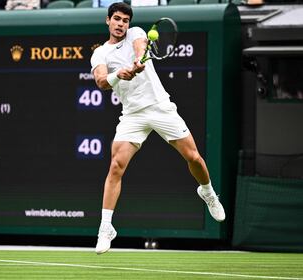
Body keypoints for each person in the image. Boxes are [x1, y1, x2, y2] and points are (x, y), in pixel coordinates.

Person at [90, 2, 225, 254]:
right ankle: (106, 227)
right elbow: (100, 81)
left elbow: (140, 46)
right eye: (117, 19)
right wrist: (119, 74)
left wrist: (138, 62)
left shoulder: (137, 33)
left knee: (193, 157)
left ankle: (207, 192)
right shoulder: (100, 54)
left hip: (160, 107)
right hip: (132, 114)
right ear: (107, 21)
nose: (121, 24)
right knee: (116, 166)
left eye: (125, 20)